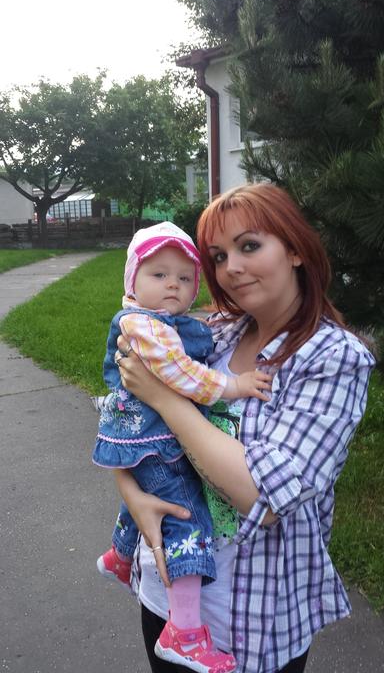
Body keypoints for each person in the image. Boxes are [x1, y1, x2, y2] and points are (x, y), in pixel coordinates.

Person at [113, 183, 376, 673]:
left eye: (249, 246)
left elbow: (265, 499)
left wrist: (166, 398)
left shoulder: (333, 358)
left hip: (251, 627)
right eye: (217, 256)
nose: (230, 267)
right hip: (166, 599)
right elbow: (126, 419)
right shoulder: (211, 333)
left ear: (295, 250)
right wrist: (131, 493)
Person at [92, 221, 271, 673]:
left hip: (147, 439)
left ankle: (120, 555)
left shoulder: (171, 323)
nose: (173, 284)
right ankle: (185, 633)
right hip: (154, 438)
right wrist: (234, 386)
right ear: (132, 282)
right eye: (159, 275)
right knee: (186, 516)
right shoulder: (143, 326)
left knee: (156, 491)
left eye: (185, 277)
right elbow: (180, 374)